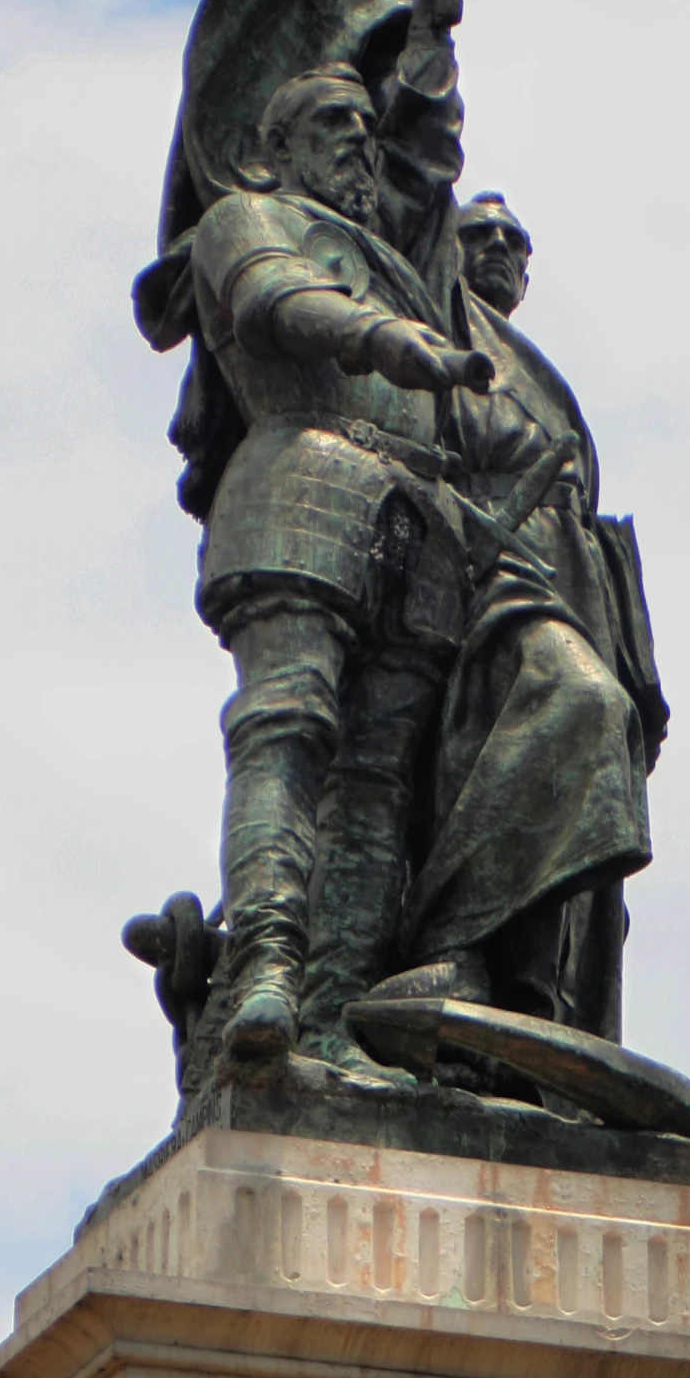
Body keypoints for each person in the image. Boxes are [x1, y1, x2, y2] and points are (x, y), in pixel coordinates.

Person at [184, 63, 491, 1078]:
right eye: (331, 122)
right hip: (299, 472)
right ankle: (265, 967)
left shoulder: (397, 254)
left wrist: (437, 15)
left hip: (418, 516)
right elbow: (275, 301)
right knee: (287, 727)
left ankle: (328, 1016)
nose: (357, 139)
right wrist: (385, 341)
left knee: (375, 779)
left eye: (363, 123)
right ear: (277, 147)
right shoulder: (247, 215)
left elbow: (426, 151)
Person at [364, 192, 668, 1040]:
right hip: (488, 563)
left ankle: (534, 1002)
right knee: (575, 710)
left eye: (513, 241)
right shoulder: (435, 321)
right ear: (446, 248)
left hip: (574, 578)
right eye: (478, 234)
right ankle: (450, 939)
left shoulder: (545, 374)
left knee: (591, 780)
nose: (497, 249)